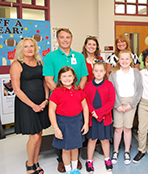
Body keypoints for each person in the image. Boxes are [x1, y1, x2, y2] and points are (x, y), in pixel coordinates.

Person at [43, 28, 88, 172]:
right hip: (60, 101)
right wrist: (61, 91)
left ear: (71, 39)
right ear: (57, 39)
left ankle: (76, 163)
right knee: (62, 134)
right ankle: (62, 161)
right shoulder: (50, 57)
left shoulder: (79, 56)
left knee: (76, 134)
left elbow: (84, 77)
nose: (65, 40)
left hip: (75, 100)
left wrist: (75, 92)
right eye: (62, 37)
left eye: (67, 37)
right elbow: (48, 79)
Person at [10, 37, 51, 174]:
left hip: (41, 103)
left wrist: (46, 99)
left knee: (39, 133)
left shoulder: (40, 62)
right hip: (27, 105)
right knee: (34, 136)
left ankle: (35, 161)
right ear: (21, 49)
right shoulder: (17, 64)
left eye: (31, 46)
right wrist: (33, 105)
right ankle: (29, 163)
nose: (29, 49)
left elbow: (45, 83)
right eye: (26, 46)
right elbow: (17, 90)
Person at [49, 66, 89, 174]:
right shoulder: (56, 92)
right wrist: (56, 128)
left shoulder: (79, 90)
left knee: (75, 148)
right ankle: (68, 170)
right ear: (60, 79)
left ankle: (75, 169)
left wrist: (86, 123)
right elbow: (51, 111)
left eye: (70, 75)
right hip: (64, 123)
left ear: (74, 77)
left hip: (77, 122)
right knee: (66, 149)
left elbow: (85, 107)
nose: (67, 78)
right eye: (64, 76)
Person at [109, 50, 142, 165]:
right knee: (118, 128)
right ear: (118, 60)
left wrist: (131, 105)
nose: (124, 61)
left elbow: (139, 90)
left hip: (131, 102)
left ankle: (127, 151)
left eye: (127, 59)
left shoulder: (136, 72)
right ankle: (115, 150)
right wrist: (117, 105)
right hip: (117, 102)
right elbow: (111, 91)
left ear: (131, 60)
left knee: (127, 128)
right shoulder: (114, 73)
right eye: (122, 59)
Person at [84, 61, 115, 172]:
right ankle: (89, 161)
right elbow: (86, 101)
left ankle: (107, 159)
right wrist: (93, 112)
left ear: (104, 72)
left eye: (101, 71)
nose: (98, 73)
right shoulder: (88, 85)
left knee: (105, 139)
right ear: (92, 71)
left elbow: (111, 101)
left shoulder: (109, 85)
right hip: (93, 118)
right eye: (96, 71)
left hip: (104, 118)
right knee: (92, 139)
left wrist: (100, 113)